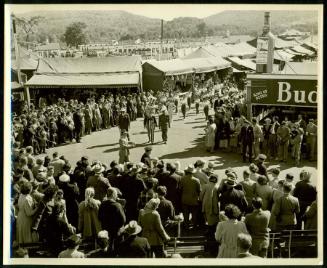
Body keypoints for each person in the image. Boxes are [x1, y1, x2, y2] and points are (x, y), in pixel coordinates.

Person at [98, 187, 126, 253]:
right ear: (113, 194)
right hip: (116, 230)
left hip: (106, 230)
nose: (116, 196)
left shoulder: (102, 204)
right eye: (116, 194)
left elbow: (99, 217)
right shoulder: (117, 205)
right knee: (117, 248)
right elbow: (123, 220)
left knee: (108, 246)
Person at [179, 165, 201, 229]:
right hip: (194, 200)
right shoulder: (196, 180)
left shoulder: (182, 179)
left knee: (186, 215)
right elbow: (199, 190)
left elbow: (180, 189)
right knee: (194, 215)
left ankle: (186, 227)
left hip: (185, 200)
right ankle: (194, 227)